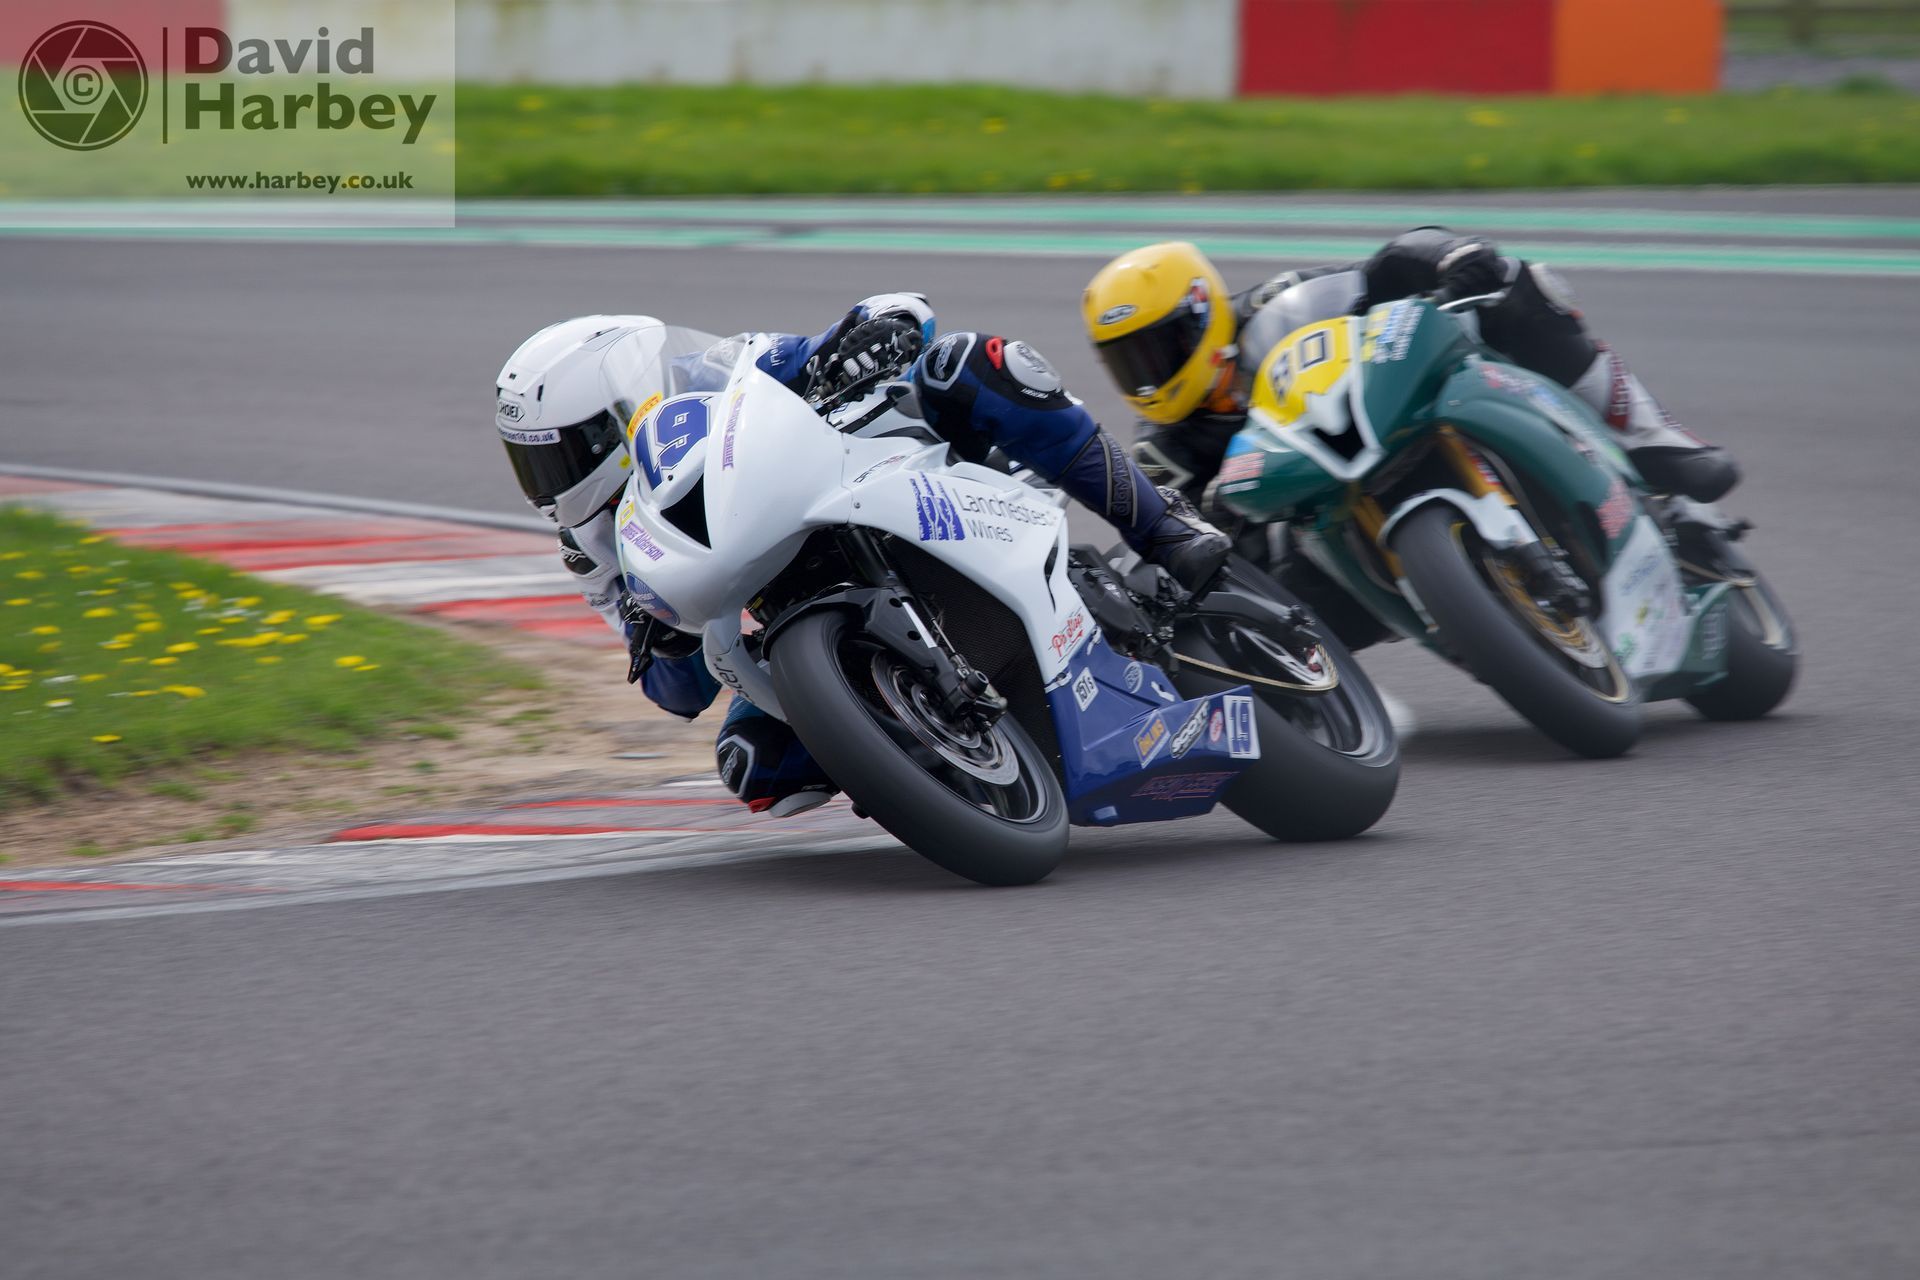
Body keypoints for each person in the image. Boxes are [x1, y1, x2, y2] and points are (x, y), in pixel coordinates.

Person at [495, 295, 1229, 816]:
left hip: (887, 485)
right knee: (753, 767)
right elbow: (675, 693)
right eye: (534, 465)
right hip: (781, 605)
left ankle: (1167, 529)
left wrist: (878, 329)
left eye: (564, 454)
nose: (550, 483)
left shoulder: (723, 371)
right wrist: (662, 637)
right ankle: (924, 762)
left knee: (972, 362)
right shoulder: (591, 547)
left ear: (621, 412)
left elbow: (860, 330)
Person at [1080, 233, 1740, 644]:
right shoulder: (1167, 444)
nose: (1150, 371)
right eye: (1129, 361)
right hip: (1332, 531)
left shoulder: (1282, 305)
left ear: (1203, 314)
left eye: (1160, 347)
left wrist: (1451, 259)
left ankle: (1655, 437)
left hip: (1409, 409)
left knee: (1519, 284)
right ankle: (1325, 705)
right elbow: (1166, 526)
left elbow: (1389, 266)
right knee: (1238, 590)